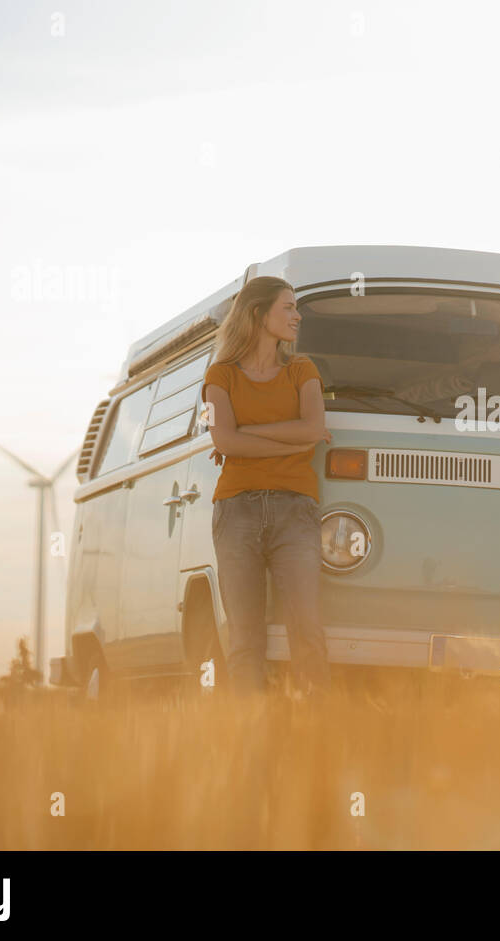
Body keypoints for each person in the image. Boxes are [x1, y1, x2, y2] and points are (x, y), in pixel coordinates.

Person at [203, 275, 333, 699]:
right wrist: (288, 435)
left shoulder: (303, 369)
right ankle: (248, 734)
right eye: (288, 307)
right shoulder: (219, 376)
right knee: (244, 637)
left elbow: (314, 428)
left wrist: (248, 433)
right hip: (235, 511)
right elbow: (223, 440)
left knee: (307, 629)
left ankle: (315, 733)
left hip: (296, 511)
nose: (298, 316)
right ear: (259, 314)